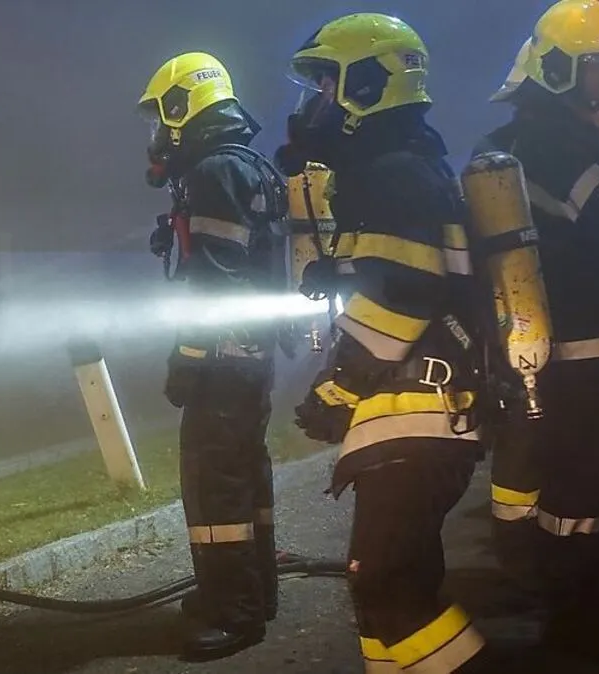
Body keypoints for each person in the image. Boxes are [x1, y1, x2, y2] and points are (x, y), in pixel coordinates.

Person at [282, 13, 498, 673]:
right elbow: (396, 268)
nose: (317, 100)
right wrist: (338, 269)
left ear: (371, 82)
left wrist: (337, 387)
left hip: (416, 403)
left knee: (384, 586)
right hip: (424, 406)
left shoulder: (394, 171)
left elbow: (406, 291)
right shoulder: (405, 165)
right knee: (394, 591)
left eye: (327, 82)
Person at [475, 0, 599, 663]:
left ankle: (594, 611)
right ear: (556, 70)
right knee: (587, 495)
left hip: (589, 355)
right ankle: (578, 624)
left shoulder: (527, 142)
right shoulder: (556, 144)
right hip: (586, 361)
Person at [138, 51, 288, 662]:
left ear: (183, 107)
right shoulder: (239, 165)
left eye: (160, 116)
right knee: (245, 474)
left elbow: (218, 285)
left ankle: (235, 613)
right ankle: (254, 594)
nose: (156, 133)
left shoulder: (215, 173)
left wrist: (188, 357)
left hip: (223, 357)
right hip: (248, 354)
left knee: (215, 485)